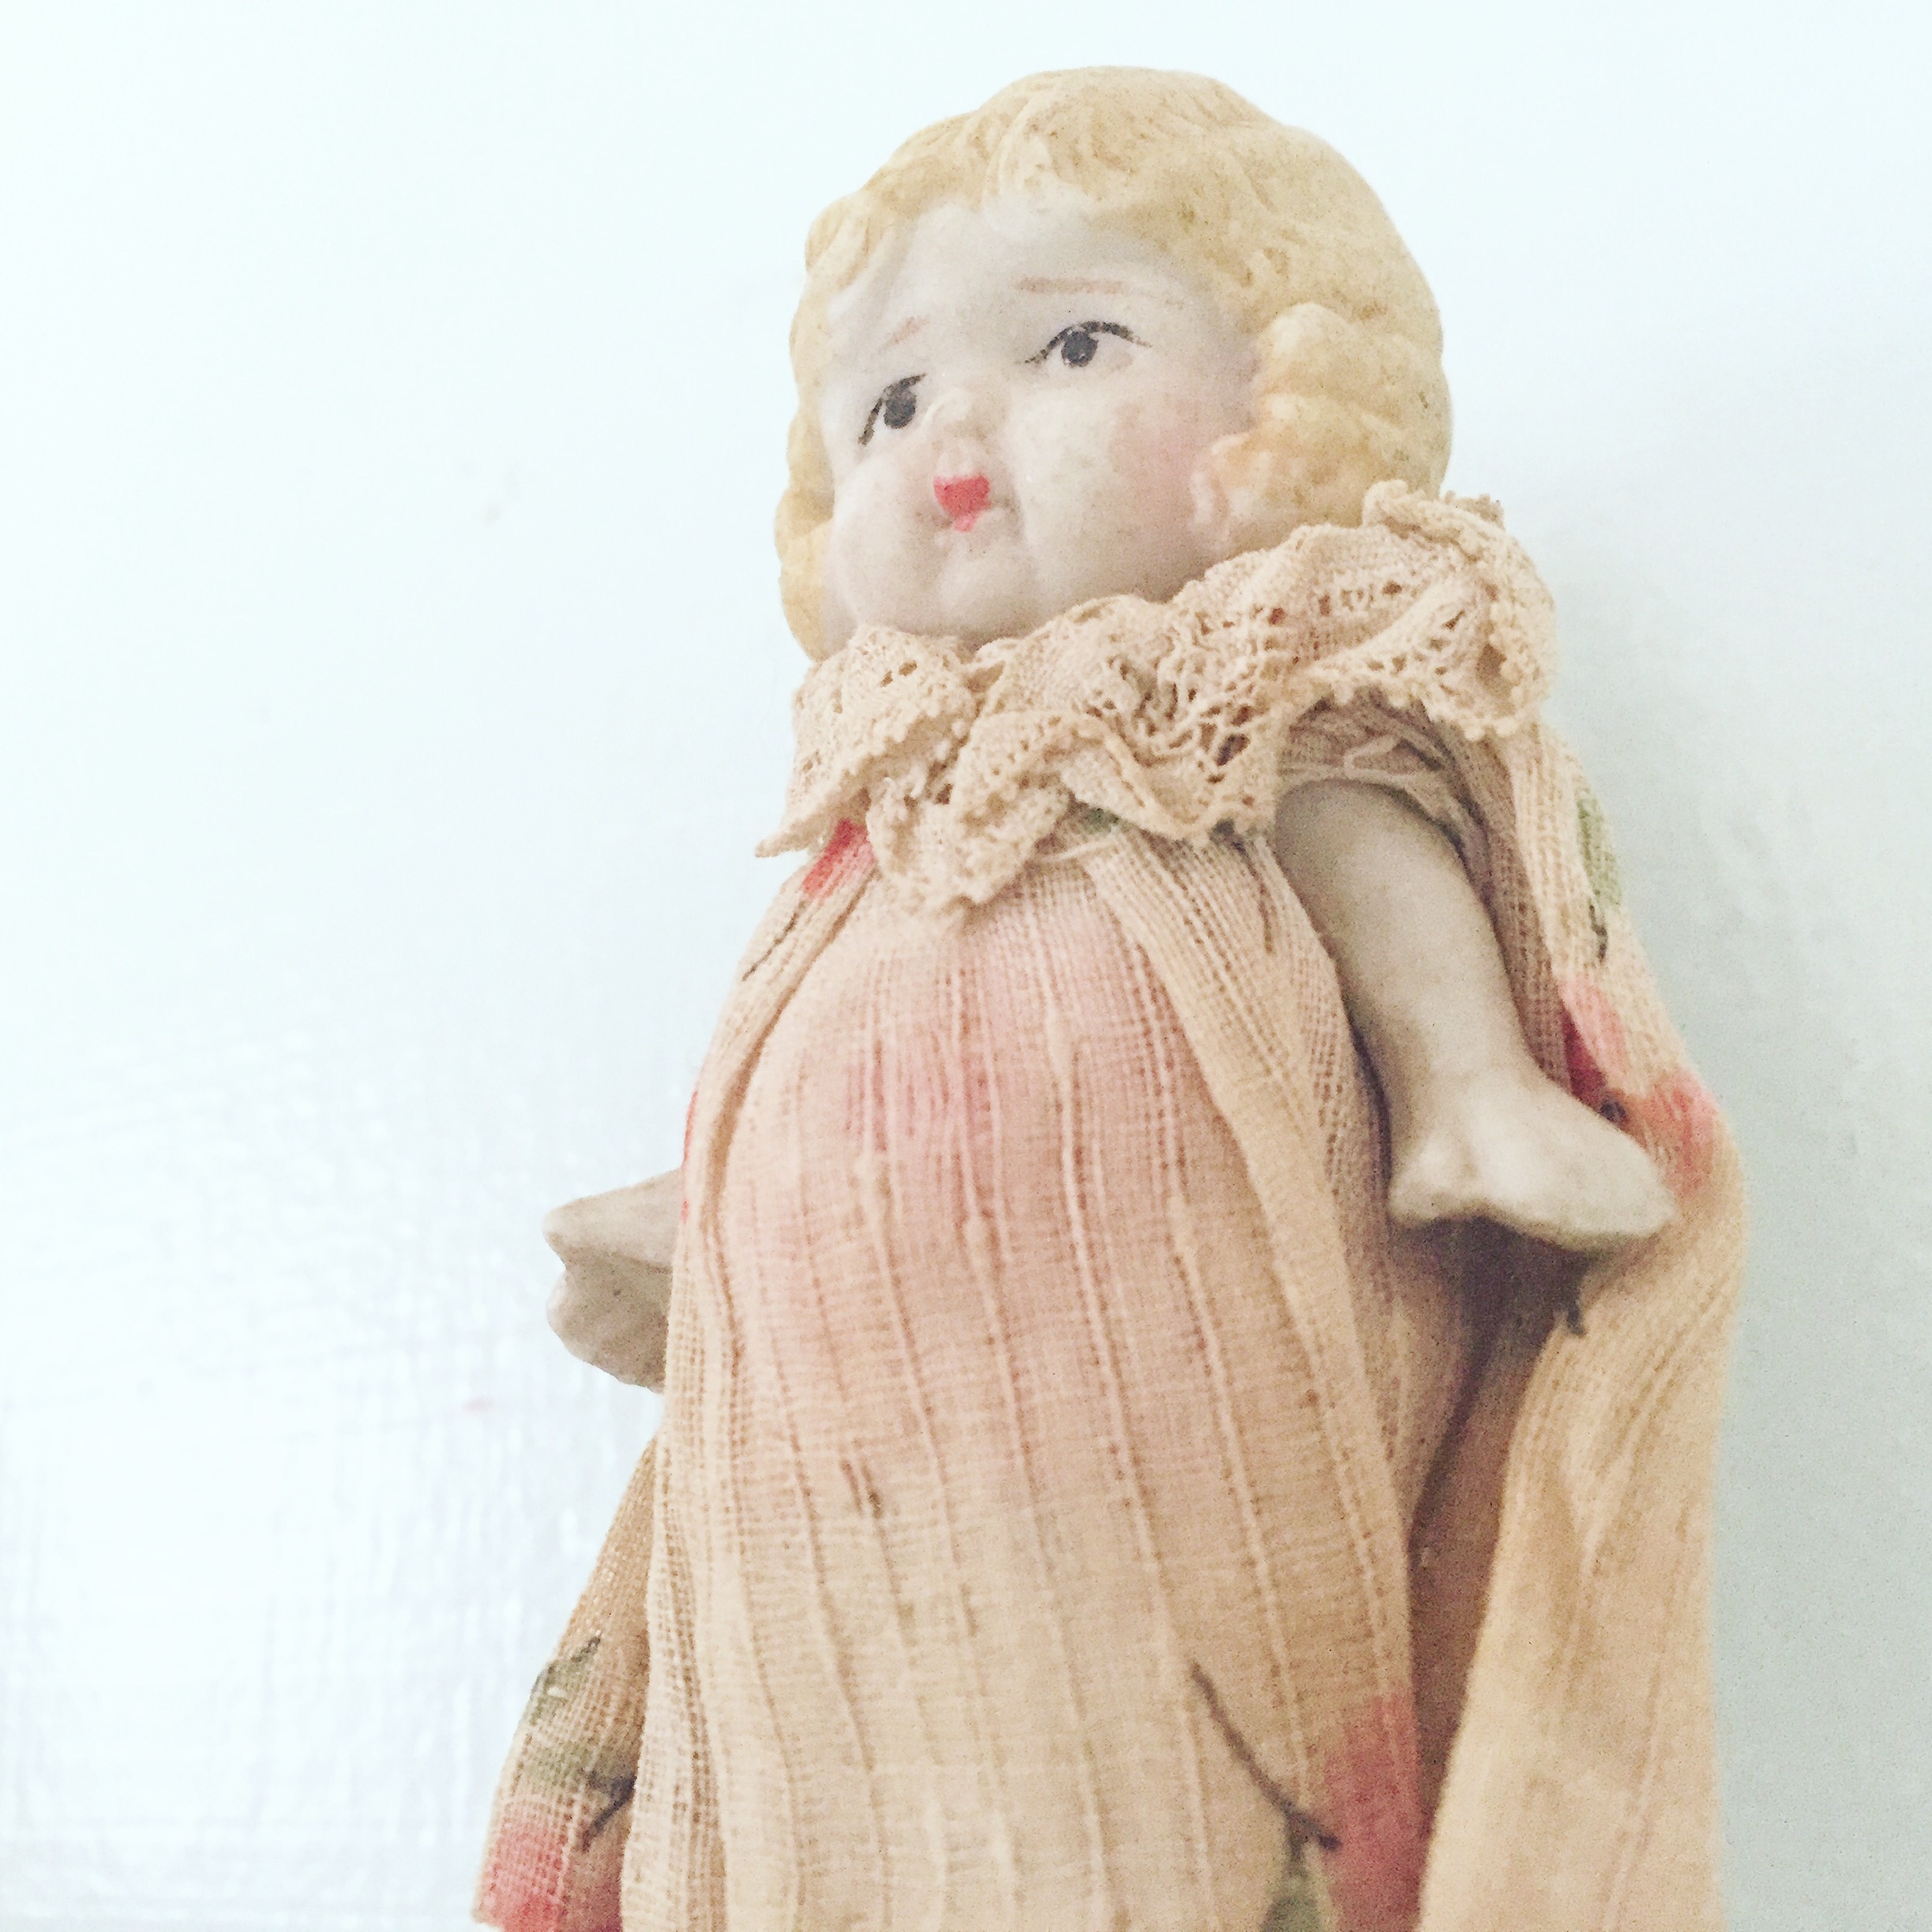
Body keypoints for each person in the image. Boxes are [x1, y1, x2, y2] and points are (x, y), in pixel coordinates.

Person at [481, 69, 1742, 1932]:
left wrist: (1468, 1074)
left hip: (1172, 1409)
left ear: (1285, 406)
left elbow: (1363, 839)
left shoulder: (1227, 696)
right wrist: (719, 1208)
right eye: (890, 401)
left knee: (1181, 1743)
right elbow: (806, 1023)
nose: (951, 432)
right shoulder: (892, 783)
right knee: (822, 1736)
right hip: (857, 1470)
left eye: (1072, 345)